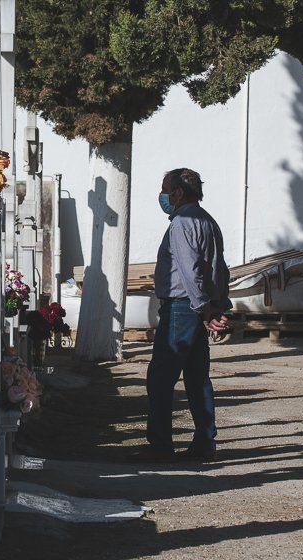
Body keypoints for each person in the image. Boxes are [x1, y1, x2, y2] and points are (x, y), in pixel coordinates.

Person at [127, 168, 231, 463]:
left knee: (161, 377)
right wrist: (217, 305)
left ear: (178, 193)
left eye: (165, 190)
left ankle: (160, 445)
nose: (162, 196)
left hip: (183, 307)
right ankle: (204, 442)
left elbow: (190, 270)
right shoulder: (207, 220)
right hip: (198, 307)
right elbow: (218, 268)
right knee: (197, 378)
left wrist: (204, 307)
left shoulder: (182, 224)